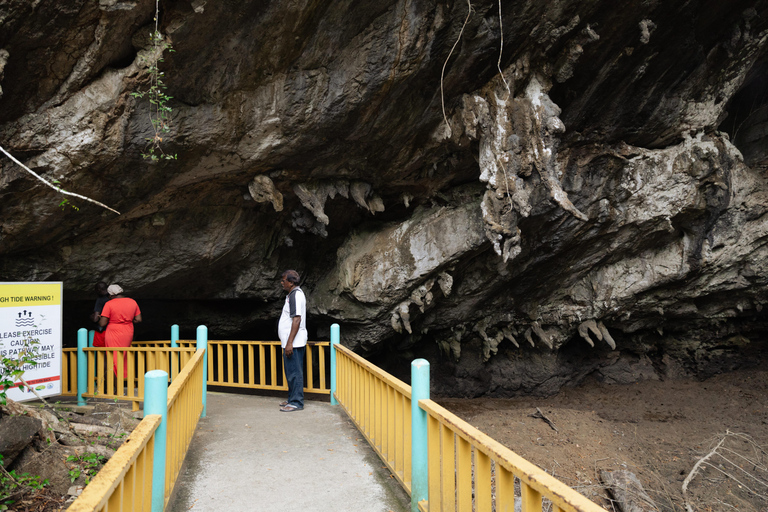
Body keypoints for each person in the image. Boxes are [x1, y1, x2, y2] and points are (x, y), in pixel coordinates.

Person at [278, 270, 307, 412]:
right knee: (291, 372)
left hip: (294, 343)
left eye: (284, 280)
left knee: (294, 372)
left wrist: (289, 343)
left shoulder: (296, 295)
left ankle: (296, 402)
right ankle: (292, 399)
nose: (282, 283)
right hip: (291, 342)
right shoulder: (292, 295)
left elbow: (297, 319)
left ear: (291, 282)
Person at [99, 284, 142, 377]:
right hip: (128, 330)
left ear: (111, 295)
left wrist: (101, 317)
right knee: (123, 356)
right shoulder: (132, 302)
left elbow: (102, 323)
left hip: (114, 331)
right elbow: (138, 319)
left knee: (113, 358)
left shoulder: (109, 304)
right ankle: (124, 381)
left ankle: (116, 387)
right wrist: (128, 320)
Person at [89, 282, 110, 347]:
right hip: (115, 330)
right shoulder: (112, 298)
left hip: (104, 330)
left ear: (98, 289)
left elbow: (95, 319)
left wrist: (91, 317)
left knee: (103, 352)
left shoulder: (100, 300)